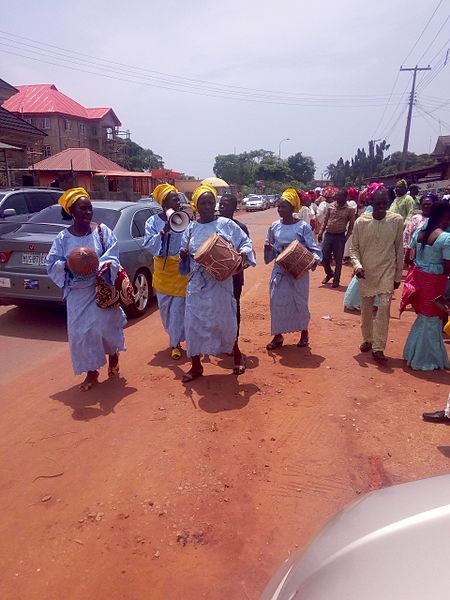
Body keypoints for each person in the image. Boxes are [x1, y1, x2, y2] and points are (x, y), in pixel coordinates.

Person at [46, 188, 126, 391]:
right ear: (72, 211)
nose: (88, 212)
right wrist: (68, 264)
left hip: (100, 288)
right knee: (82, 334)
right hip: (78, 293)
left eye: (90, 208)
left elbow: (113, 254)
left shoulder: (102, 231)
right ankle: (92, 372)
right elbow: (51, 262)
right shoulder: (63, 238)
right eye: (83, 209)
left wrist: (101, 265)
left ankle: (113, 355)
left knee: (104, 329)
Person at [179, 184, 255, 382]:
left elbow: (245, 243)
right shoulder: (191, 228)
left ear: (215, 203)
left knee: (225, 321)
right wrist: (183, 255)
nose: (207, 206)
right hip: (197, 283)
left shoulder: (226, 224)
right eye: (203, 203)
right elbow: (184, 257)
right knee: (194, 323)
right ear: (196, 205)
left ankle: (237, 357)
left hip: (221, 282)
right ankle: (196, 366)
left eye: (211, 202)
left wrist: (242, 257)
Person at [350, 187, 404, 362]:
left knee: (384, 309)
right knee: (366, 309)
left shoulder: (396, 221)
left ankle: (379, 347)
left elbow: (399, 249)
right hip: (366, 272)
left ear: (387, 204)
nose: (381, 207)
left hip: (386, 272)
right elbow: (354, 249)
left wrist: (397, 276)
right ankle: (367, 339)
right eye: (378, 203)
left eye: (384, 203)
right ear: (371, 203)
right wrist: (357, 266)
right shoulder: (361, 222)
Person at [264, 188, 321, 349]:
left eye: (284, 207)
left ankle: (304, 333)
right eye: (279, 206)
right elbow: (270, 254)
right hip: (280, 270)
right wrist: (268, 248)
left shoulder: (303, 227)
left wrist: (314, 260)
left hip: (298, 270)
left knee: (299, 302)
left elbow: (313, 248)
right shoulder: (274, 226)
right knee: (276, 301)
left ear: (292, 208)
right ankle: (278, 335)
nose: (280, 210)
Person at [400, 200, 450, 371]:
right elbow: (448, 266)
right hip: (435, 281)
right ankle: (424, 359)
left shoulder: (420, 232)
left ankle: (412, 353)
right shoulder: (445, 237)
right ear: (445, 215)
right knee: (433, 319)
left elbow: (408, 257)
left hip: (419, 278)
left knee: (424, 316)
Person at [143, 184, 188, 360]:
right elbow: (149, 245)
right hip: (163, 271)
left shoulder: (184, 219)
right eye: (174, 199)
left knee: (178, 309)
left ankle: (175, 343)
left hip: (180, 271)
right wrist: (163, 231)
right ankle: (174, 336)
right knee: (166, 310)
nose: (178, 201)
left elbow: (190, 239)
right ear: (164, 204)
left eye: (178, 198)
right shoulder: (152, 222)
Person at [219, 193, 249, 374]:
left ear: (234, 208)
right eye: (221, 204)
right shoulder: (213, 225)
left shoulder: (240, 227)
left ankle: (232, 342)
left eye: (226, 205)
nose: (222, 207)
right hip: (215, 279)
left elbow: (246, 252)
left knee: (232, 309)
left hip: (234, 277)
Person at [319, 188, 355, 288]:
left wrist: (346, 237)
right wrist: (321, 233)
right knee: (324, 257)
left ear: (345, 197)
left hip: (340, 236)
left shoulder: (350, 209)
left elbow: (351, 225)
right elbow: (325, 221)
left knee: (338, 259)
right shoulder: (331, 207)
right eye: (337, 195)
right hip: (328, 235)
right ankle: (329, 273)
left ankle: (336, 280)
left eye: (340, 196)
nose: (337, 197)